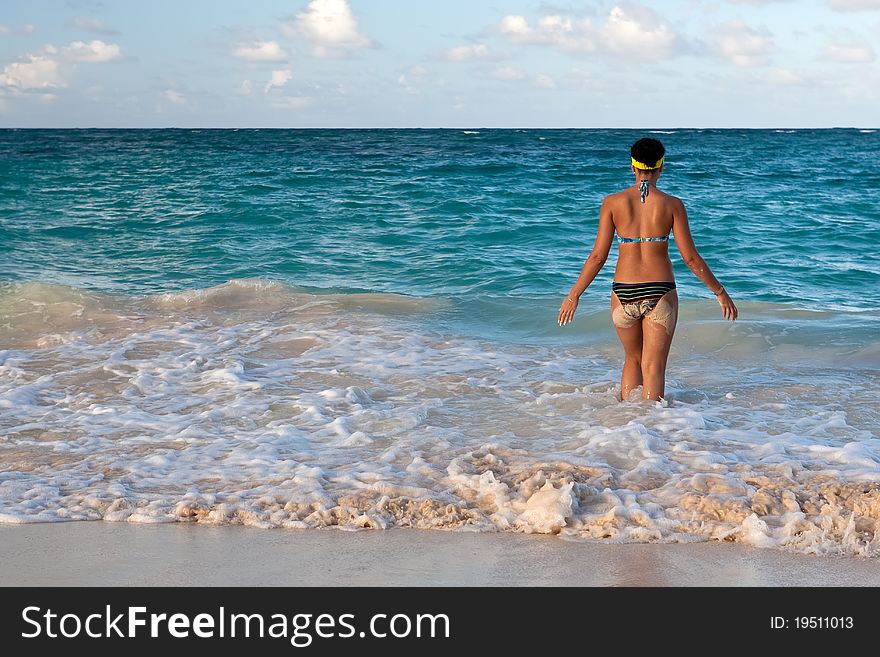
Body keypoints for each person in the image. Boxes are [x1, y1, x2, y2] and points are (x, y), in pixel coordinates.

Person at [557, 138, 737, 402]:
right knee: (654, 367)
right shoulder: (672, 204)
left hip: (623, 294)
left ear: (633, 166)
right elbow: (690, 258)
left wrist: (574, 295)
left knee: (632, 359)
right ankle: (654, 430)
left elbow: (597, 257)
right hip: (659, 292)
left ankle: (627, 430)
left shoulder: (612, 203)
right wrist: (720, 292)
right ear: (661, 167)